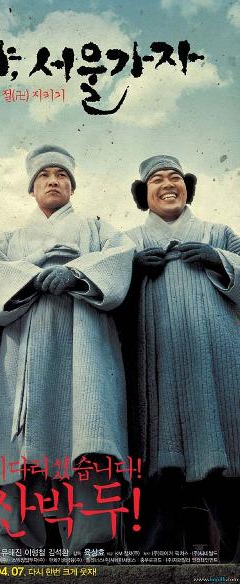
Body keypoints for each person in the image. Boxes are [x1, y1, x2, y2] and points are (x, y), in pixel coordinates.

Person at [0, 145, 135, 558]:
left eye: (62, 175)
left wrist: (76, 273)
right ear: (32, 187)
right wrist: (35, 274)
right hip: (23, 349)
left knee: (89, 436)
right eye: (44, 175)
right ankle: (14, 544)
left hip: (87, 350)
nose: (53, 181)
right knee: (16, 448)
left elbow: (122, 258)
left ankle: (91, 544)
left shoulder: (99, 229)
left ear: (72, 186)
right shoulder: (9, 238)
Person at [123, 154, 240, 560]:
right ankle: (158, 560)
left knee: (226, 451)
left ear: (187, 188)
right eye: (156, 180)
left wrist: (218, 258)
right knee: (159, 459)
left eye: (175, 177)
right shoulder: (127, 241)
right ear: (143, 194)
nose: (168, 184)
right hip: (156, 358)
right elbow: (107, 290)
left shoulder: (218, 233)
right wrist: (132, 268)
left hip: (216, 357)